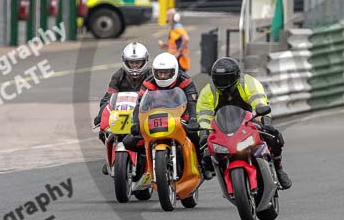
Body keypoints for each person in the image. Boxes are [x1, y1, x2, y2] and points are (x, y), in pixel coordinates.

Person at [196, 56, 292, 189]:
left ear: (236, 76)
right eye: (219, 79)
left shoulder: (248, 83)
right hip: (222, 128)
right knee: (204, 151)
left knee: (273, 135)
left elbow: (259, 102)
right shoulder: (208, 91)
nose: (223, 82)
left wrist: (265, 121)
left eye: (227, 78)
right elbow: (204, 116)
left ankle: (278, 167)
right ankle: (215, 170)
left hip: (249, 123)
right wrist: (203, 134)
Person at [123, 53, 209, 179]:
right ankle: (144, 164)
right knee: (129, 142)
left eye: (166, 73)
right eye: (159, 73)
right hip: (155, 118)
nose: (162, 76)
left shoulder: (185, 80)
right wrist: (136, 122)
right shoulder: (148, 82)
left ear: (174, 71)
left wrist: (193, 120)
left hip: (180, 117)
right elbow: (139, 104)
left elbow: (192, 102)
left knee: (195, 136)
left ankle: (201, 164)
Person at [93, 41, 149, 175]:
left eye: (138, 62)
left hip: (144, 113)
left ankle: (153, 158)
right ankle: (111, 157)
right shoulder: (118, 76)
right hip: (123, 112)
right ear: (125, 62)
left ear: (144, 61)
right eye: (131, 62)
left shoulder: (151, 75)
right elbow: (108, 97)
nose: (134, 65)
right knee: (103, 131)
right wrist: (101, 114)